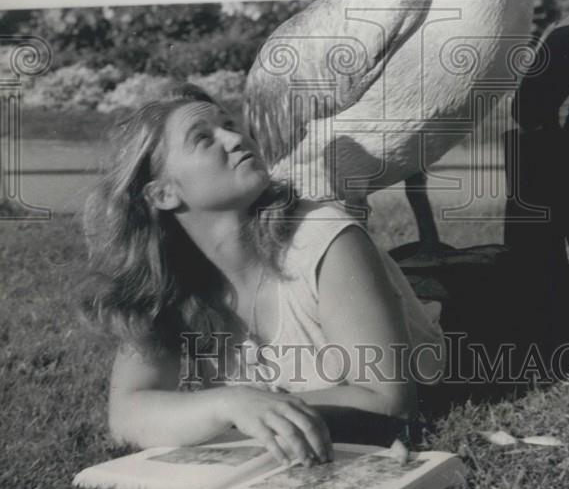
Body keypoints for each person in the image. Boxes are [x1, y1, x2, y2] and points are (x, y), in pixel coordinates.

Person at [82, 83, 445, 465]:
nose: (235, 138)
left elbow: (389, 400)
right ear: (163, 195)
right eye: (204, 138)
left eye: (229, 124)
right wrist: (230, 404)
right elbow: (126, 414)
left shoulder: (325, 239)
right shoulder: (169, 279)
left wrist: (248, 408)